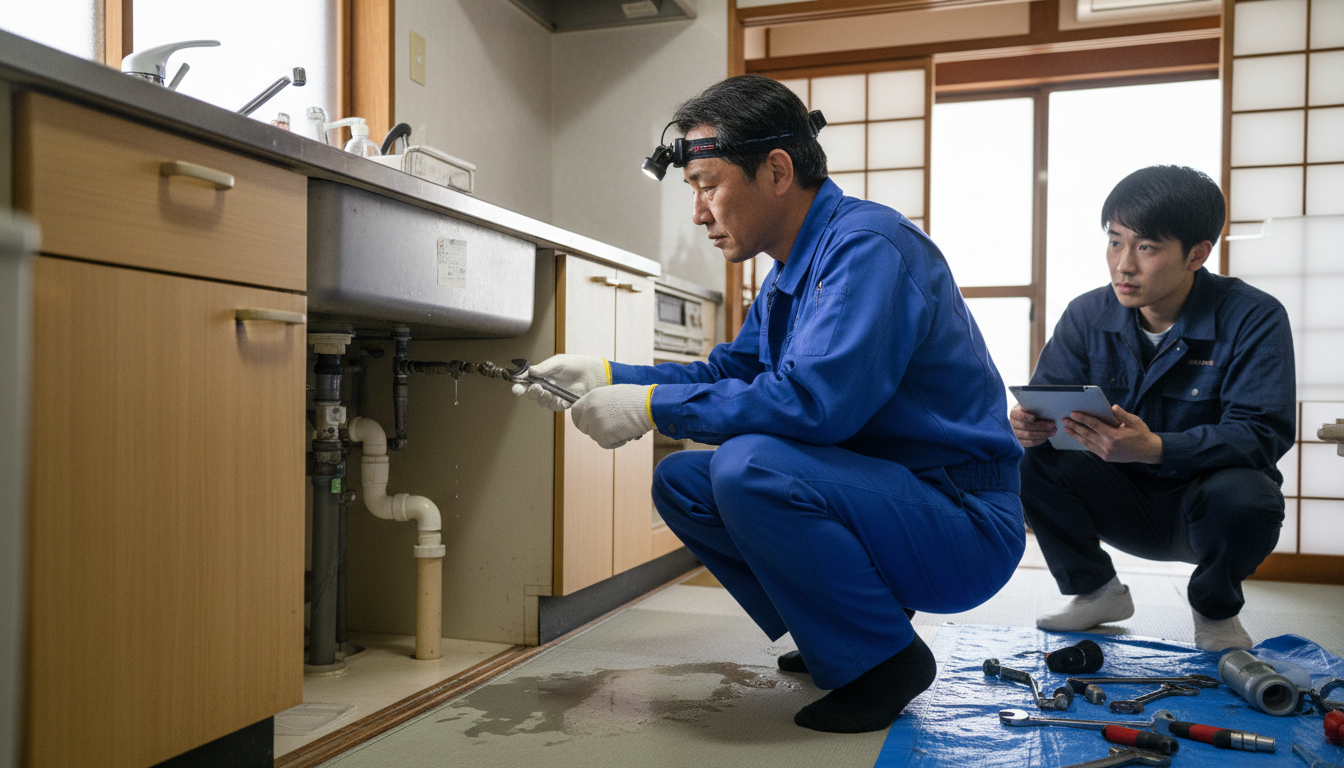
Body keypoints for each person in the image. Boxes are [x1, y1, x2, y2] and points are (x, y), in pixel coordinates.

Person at [513, 74, 1025, 733]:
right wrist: (609, 373)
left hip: (962, 524)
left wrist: (651, 407)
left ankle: (885, 662)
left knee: (749, 467)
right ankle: (848, 628)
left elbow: (815, 405)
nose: (698, 213)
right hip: (890, 501)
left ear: (777, 171)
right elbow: (730, 370)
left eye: (707, 186)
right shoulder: (792, 270)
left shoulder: (867, 248)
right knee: (684, 481)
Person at [1010, 165, 1294, 654]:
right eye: (1114, 242)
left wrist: (1156, 447)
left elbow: (1262, 432)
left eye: (1145, 247)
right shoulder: (1086, 314)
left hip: (1202, 507)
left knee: (1252, 497)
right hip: (1118, 498)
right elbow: (1047, 404)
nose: (1123, 265)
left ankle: (1215, 609)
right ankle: (1096, 591)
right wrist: (1027, 425)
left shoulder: (1254, 316)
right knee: (1026, 458)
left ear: (1197, 254)